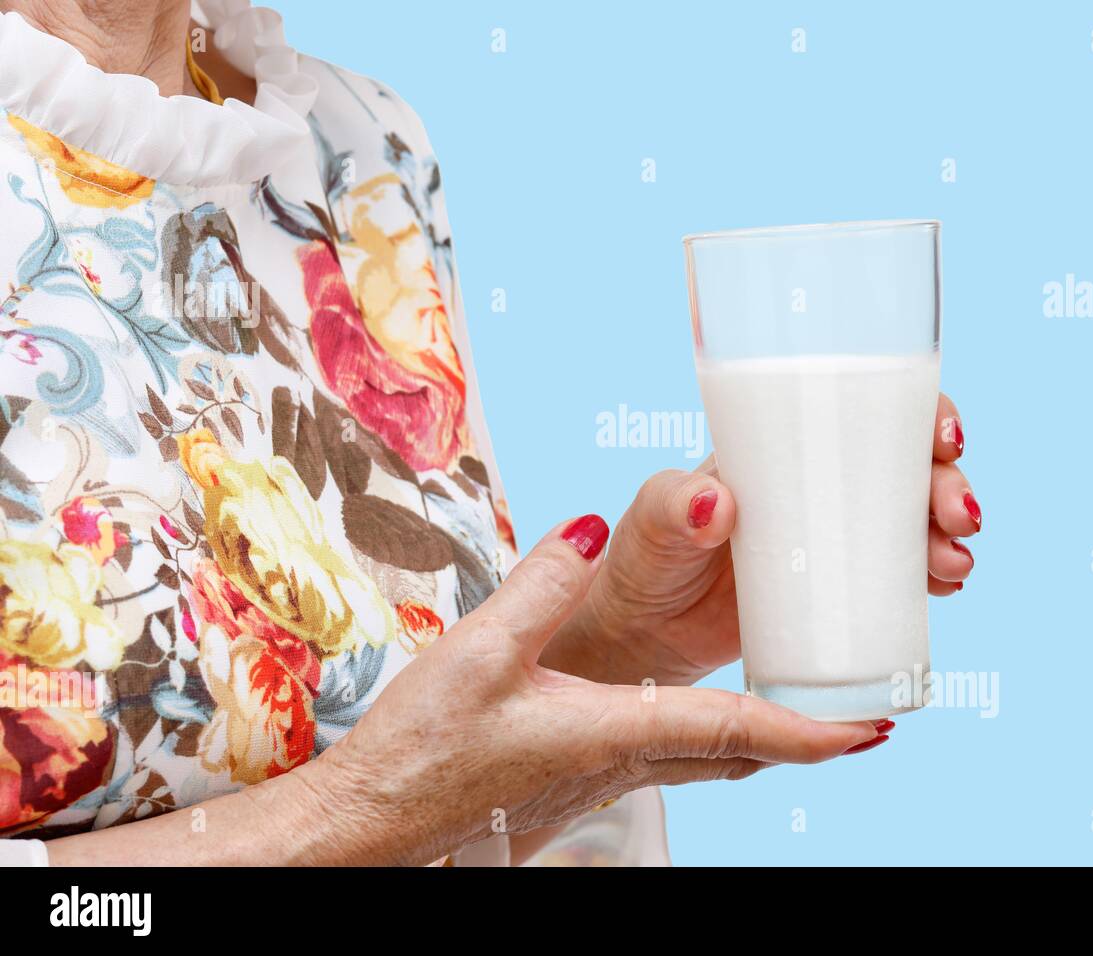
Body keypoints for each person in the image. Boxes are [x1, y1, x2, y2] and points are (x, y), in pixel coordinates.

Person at [0, 0, 980, 866]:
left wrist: (621, 642)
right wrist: (357, 815)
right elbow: (387, 802)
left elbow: (446, 797)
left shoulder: (359, 146)